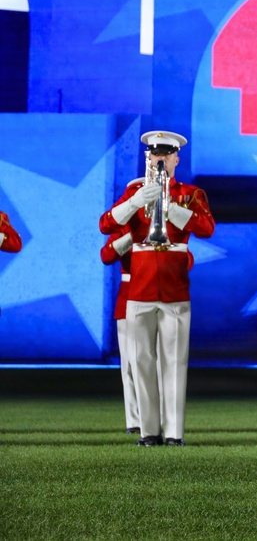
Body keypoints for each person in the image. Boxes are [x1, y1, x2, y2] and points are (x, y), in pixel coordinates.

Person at [99, 131, 215, 447]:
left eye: (166, 154)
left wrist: (170, 208)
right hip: (140, 287)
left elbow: (206, 228)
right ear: (147, 158)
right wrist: (138, 200)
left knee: (174, 362)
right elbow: (106, 225)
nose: (159, 159)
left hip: (175, 286)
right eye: (154, 154)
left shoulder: (191, 193)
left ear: (177, 159)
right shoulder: (134, 193)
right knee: (142, 361)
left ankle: (175, 432)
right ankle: (149, 431)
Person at [100, 179, 141, 434]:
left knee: (158, 361)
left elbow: (187, 259)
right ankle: (134, 421)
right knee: (129, 364)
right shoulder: (123, 226)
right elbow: (107, 256)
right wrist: (130, 238)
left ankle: (160, 418)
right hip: (129, 294)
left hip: (160, 291)